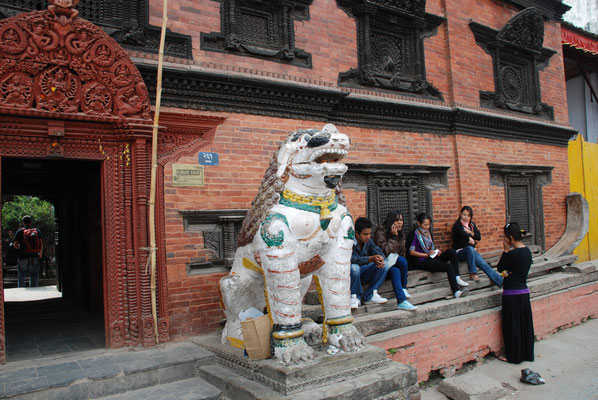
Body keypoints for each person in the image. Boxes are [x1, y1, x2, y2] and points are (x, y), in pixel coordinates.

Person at [496, 222, 534, 364]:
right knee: (524, 325)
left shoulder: (513, 254)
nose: (504, 240)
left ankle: (514, 356)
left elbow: (500, 268)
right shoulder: (527, 252)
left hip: (511, 294)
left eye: (505, 237)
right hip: (524, 292)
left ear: (510, 237)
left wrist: (505, 251)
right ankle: (527, 353)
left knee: (513, 326)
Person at [407, 213, 469, 299]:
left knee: (452, 252)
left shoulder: (428, 233)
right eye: (425, 225)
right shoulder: (414, 234)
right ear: (418, 223)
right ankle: (456, 291)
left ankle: (457, 277)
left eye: (429, 225)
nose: (427, 227)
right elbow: (411, 252)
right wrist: (427, 255)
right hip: (423, 261)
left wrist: (436, 251)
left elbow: (430, 248)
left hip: (432, 257)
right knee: (449, 267)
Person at [374, 210, 417, 311]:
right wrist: (394, 237)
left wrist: (397, 237)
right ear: (391, 221)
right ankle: (403, 288)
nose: (400, 223)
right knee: (401, 260)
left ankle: (402, 300)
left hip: (393, 267)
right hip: (382, 266)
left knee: (396, 271)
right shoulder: (381, 232)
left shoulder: (400, 234)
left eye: (401, 220)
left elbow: (402, 252)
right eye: (397, 220)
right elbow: (385, 251)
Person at [452, 206, 503, 287]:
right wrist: (469, 237)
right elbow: (461, 233)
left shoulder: (471, 225)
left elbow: (478, 237)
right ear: (460, 214)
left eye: (468, 216)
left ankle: (501, 281)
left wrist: (470, 232)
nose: (466, 217)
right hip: (460, 252)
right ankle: (472, 273)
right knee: (469, 248)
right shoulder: (457, 225)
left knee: (484, 264)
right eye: (464, 215)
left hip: (471, 252)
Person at [350, 217, 389, 309]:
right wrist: (370, 259)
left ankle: (370, 295)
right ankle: (354, 297)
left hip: (364, 272)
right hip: (352, 275)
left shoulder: (369, 241)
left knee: (385, 265)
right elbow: (350, 259)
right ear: (357, 234)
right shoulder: (349, 242)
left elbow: (378, 251)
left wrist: (380, 258)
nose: (368, 236)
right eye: (365, 234)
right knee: (354, 268)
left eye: (369, 234)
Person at [12, 215, 43, 287]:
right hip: (34, 256)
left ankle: (21, 292)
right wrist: (40, 253)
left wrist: (20, 247)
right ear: (31, 222)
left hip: (23, 256)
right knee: (34, 275)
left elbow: (15, 245)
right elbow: (41, 244)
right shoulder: (37, 231)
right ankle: (34, 290)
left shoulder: (19, 231)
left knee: (21, 276)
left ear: (23, 223)